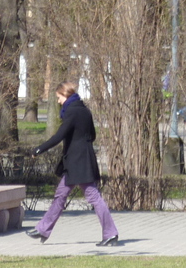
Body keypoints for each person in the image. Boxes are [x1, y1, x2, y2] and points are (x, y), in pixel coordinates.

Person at [28, 81, 120, 247]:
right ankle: (42, 229)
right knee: (60, 195)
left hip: (78, 162)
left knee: (93, 197)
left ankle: (111, 233)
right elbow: (92, 134)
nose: (58, 101)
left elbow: (59, 136)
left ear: (66, 95)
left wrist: (39, 149)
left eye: (59, 97)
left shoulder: (72, 112)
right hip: (77, 161)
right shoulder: (84, 110)